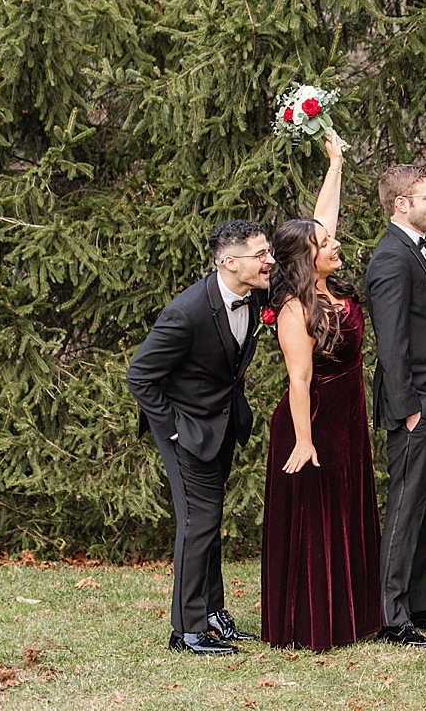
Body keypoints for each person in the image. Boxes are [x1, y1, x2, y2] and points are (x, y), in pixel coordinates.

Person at [126, 218, 273, 655]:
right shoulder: (185, 312)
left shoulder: (256, 291)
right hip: (186, 431)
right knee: (198, 522)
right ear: (229, 263)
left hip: (222, 425)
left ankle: (212, 615)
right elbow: (140, 375)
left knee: (208, 521)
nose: (270, 261)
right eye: (260, 255)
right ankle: (187, 631)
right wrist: (173, 429)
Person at [261, 133, 382, 651]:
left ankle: (353, 613)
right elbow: (300, 380)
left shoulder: (328, 285)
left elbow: (323, 219)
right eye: (325, 243)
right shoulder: (293, 308)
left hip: (348, 411)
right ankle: (313, 620)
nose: (335, 243)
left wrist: (336, 162)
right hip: (310, 418)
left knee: (347, 506)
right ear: (306, 257)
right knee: (318, 514)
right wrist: (304, 440)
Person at [366, 164, 426, 647]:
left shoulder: (422, 251)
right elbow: (391, 340)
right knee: (405, 507)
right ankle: (392, 615)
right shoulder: (389, 258)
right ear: (401, 204)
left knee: (422, 506)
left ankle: (422, 606)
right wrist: (409, 406)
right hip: (415, 403)